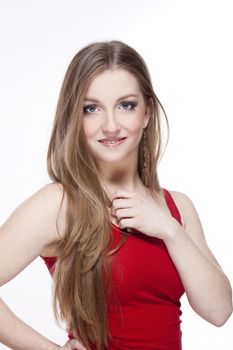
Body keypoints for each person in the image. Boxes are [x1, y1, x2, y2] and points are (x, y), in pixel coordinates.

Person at [0, 40, 232, 350]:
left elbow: (219, 311)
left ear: (147, 112)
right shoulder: (60, 204)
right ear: (75, 118)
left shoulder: (178, 208)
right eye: (91, 108)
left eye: (126, 105)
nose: (111, 125)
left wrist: (169, 229)